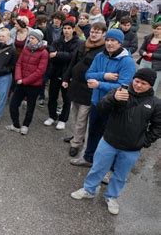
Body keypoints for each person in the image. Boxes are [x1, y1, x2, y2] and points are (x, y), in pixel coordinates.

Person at [71, 69, 160, 215]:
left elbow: (158, 126)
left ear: (150, 85)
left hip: (131, 148)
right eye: (136, 81)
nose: (138, 85)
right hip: (108, 141)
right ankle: (88, 190)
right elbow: (101, 108)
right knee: (98, 168)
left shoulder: (155, 103)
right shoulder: (118, 91)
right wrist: (113, 99)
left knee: (120, 175)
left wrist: (144, 141)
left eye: (143, 83)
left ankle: (111, 197)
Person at [71, 29, 136, 167]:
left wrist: (99, 84)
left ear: (120, 43)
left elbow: (123, 86)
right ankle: (88, 158)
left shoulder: (127, 62)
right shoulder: (100, 56)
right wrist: (104, 76)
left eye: (113, 41)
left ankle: (106, 168)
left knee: (109, 140)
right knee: (93, 131)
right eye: (107, 40)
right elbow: (89, 75)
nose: (109, 43)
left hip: (113, 105)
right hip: (97, 102)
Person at [62, 22, 107, 157]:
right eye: (93, 31)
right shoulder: (83, 44)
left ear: (103, 34)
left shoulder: (103, 50)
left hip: (88, 90)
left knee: (82, 118)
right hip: (75, 86)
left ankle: (76, 144)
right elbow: (73, 63)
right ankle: (77, 136)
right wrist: (66, 78)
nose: (93, 34)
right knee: (75, 116)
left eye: (97, 32)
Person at [6, 29, 48, 135]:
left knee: (30, 106)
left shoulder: (44, 53)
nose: (30, 39)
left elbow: (40, 71)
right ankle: (16, 125)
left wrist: (24, 81)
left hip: (34, 85)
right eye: (30, 37)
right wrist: (18, 78)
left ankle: (25, 125)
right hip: (21, 83)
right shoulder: (26, 49)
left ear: (38, 39)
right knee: (13, 104)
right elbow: (19, 64)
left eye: (33, 38)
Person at [44, 21, 80, 130]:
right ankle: (52, 116)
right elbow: (51, 51)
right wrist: (55, 54)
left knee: (66, 98)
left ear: (73, 29)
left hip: (68, 74)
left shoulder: (78, 43)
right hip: (55, 72)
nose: (66, 31)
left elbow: (72, 57)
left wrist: (57, 54)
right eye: (65, 28)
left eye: (69, 28)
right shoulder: (58, 40)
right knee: (52, 96)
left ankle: (63, 120)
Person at [138, 21, 161, 92]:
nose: (156, 30)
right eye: (154, 28)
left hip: (156, 65)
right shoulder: (148, 37)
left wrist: (153, 55)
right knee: (139, 80)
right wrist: (143, 52)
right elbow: (141, 49)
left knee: (153, 84)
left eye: (158, 29)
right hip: (144, 61)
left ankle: (150, 100)